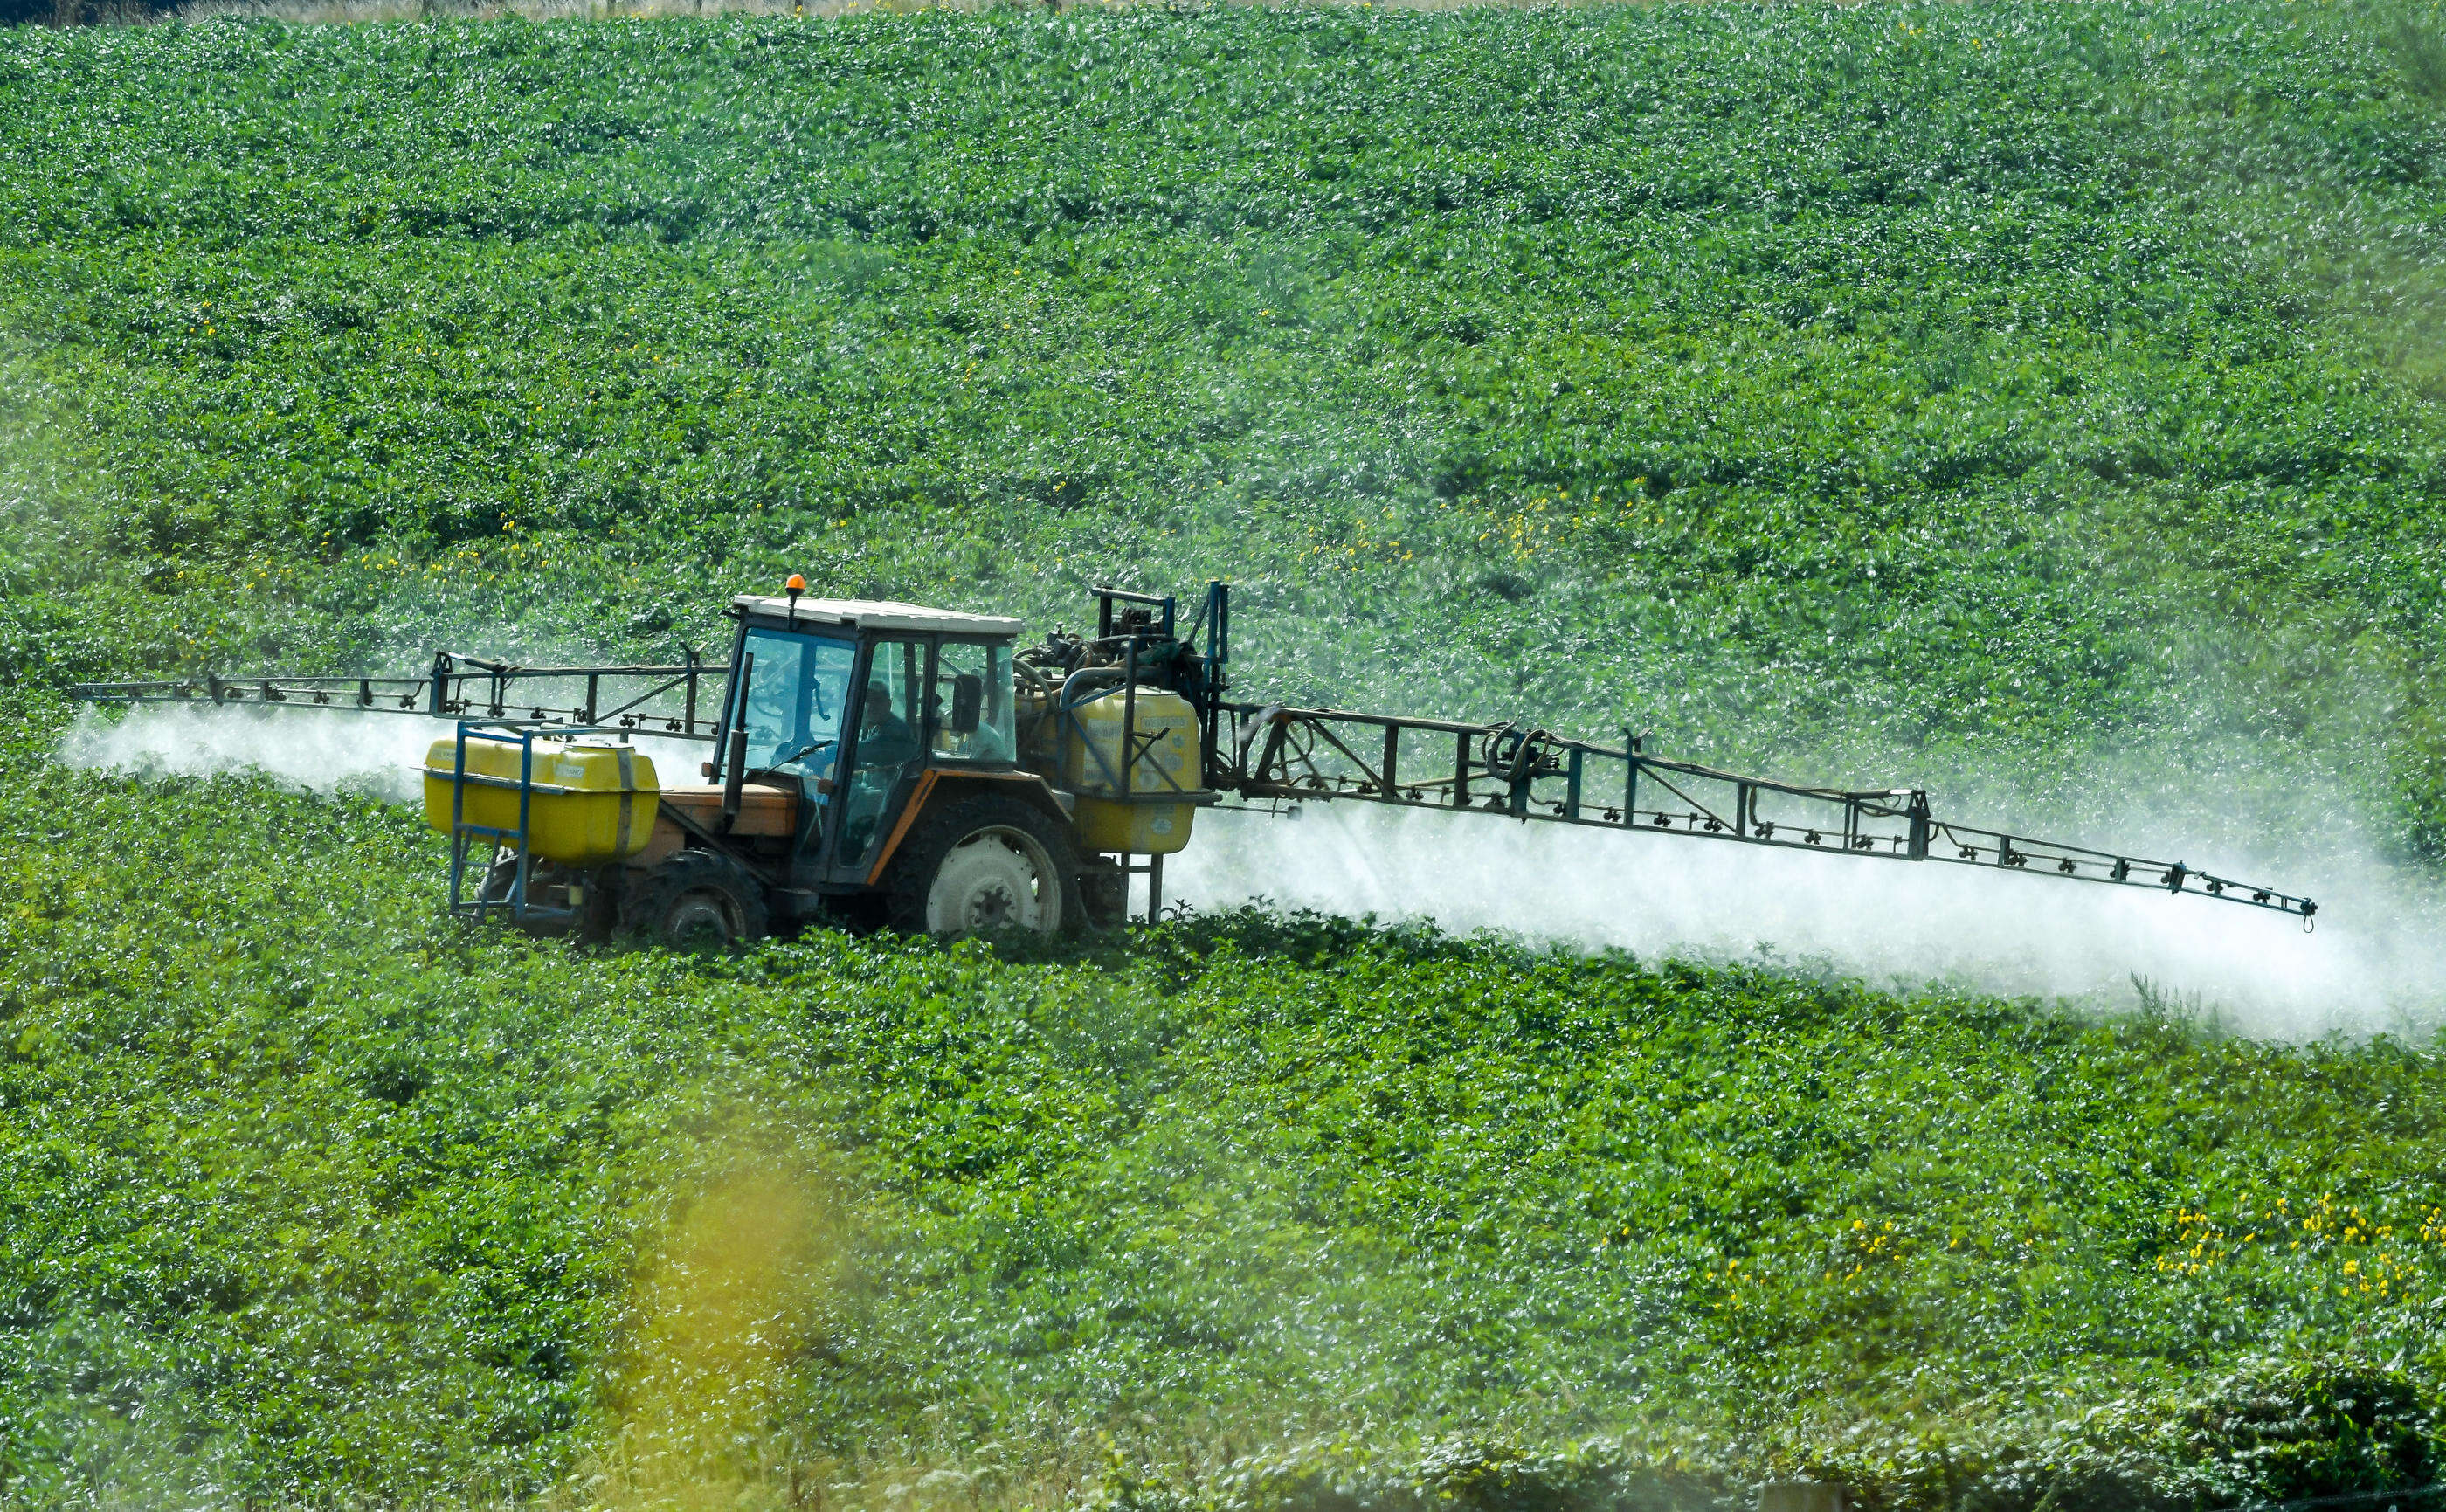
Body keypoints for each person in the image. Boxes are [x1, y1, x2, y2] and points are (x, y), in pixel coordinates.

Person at [855, 682, 918, 769]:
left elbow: (862, 751)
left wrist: (855, 727)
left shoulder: (895, 729)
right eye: (867, 701)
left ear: (889, 704)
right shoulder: (876, 727)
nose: (871, 706)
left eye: (877, 700)